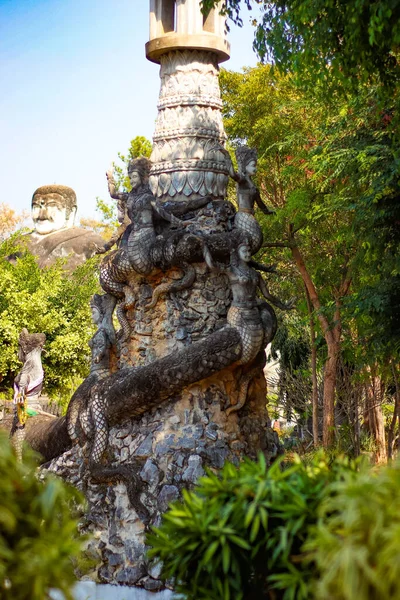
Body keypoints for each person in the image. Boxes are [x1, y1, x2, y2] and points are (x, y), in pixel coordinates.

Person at [24, 185, 105, 270]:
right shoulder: (17, 244)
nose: (42, 214)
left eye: (52, 206)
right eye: (36, 207)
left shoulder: (91, 242)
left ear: (71, 211)